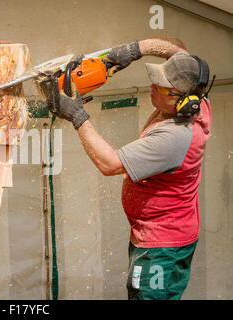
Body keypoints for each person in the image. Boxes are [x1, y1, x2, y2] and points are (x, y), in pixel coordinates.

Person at [44, 37, 212, 300]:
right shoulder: (197, 101)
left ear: (182, 100)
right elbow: (178, 50)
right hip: (168, 231)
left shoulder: (175, 137)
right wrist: (134, 51)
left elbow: (109, 164)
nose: (153, 87)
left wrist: (78, 117)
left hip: (161, 245)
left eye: (162, 86)